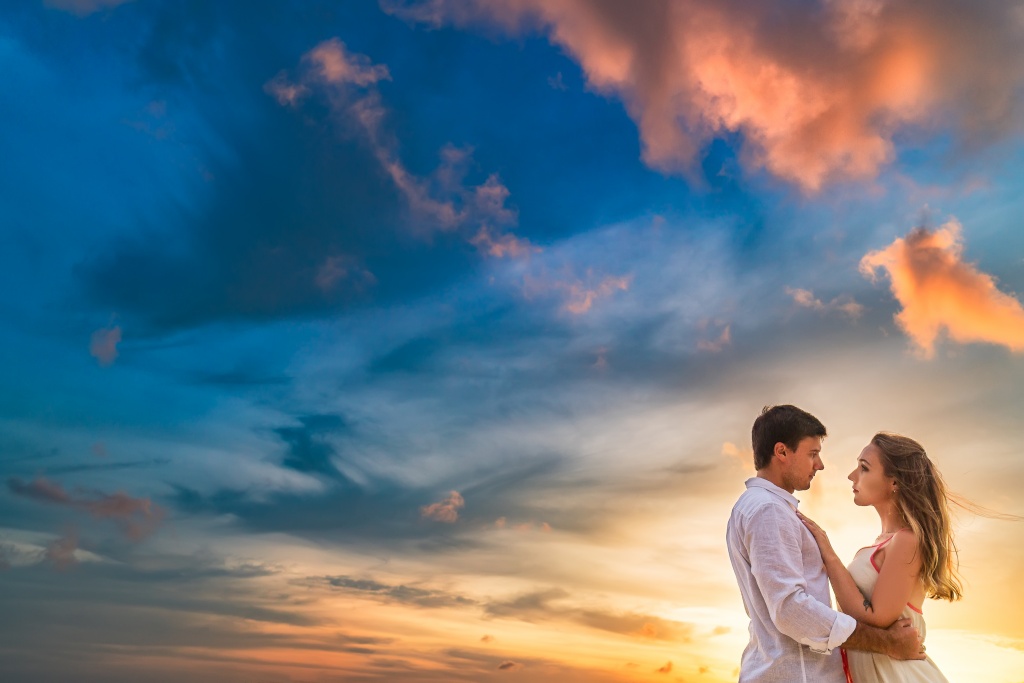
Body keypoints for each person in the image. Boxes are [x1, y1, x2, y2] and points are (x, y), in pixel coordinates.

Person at [726, 405, 925, 683]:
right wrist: (887, 642)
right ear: (781, 452)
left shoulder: (762, 508)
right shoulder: (768, 510)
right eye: (812, 454)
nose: (819, 465)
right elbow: (791, 610)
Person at [798, 432, 957, 682]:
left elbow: (876, 618)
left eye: (864, 468)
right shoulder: (886, 543)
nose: (852, 476)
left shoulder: (907, 540)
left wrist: (828, 555)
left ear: (894, 482)